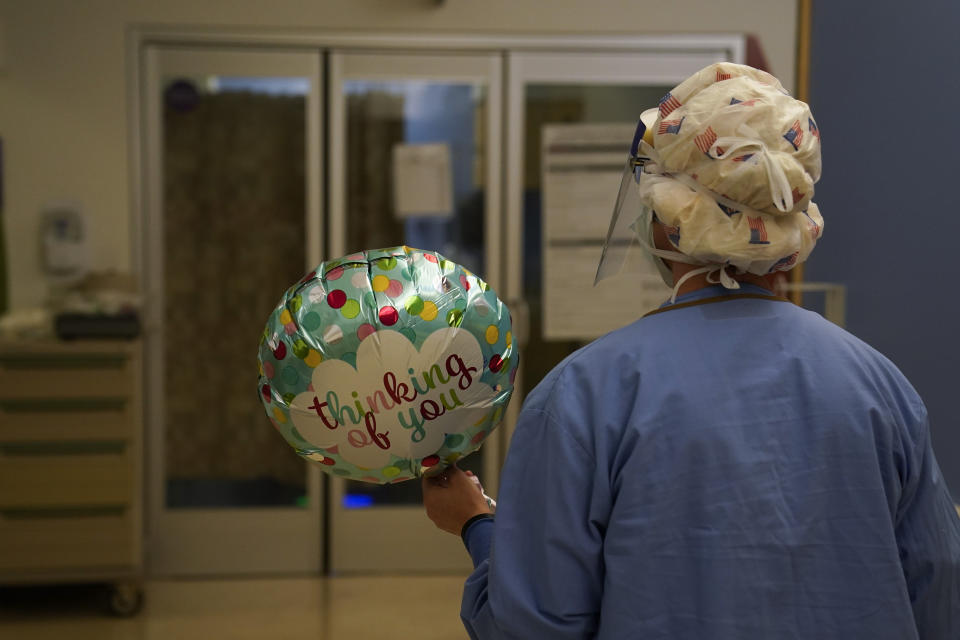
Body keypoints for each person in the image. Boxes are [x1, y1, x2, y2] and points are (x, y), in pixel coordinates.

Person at [422, 63, 960, 639]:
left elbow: (533, 621)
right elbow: (937, 585)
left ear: (667, 220)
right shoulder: (879, 384)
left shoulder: (585, 395)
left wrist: (478, 527)